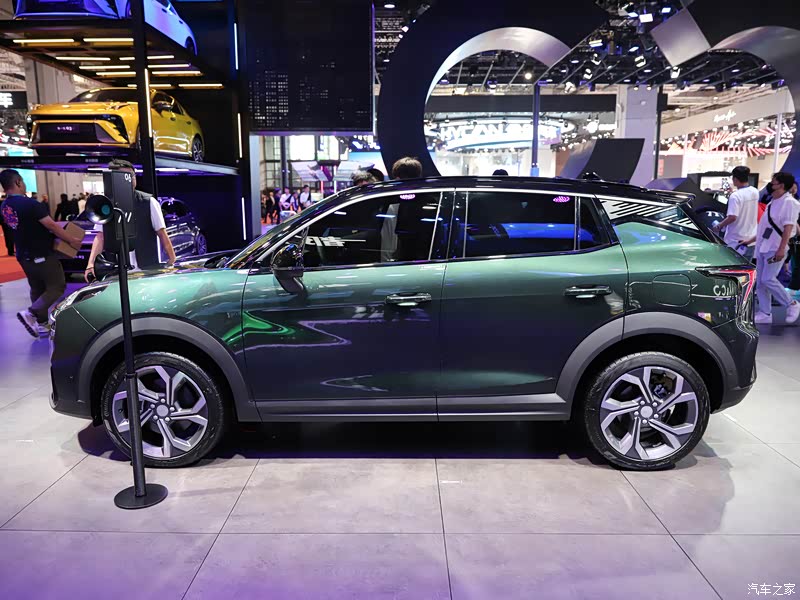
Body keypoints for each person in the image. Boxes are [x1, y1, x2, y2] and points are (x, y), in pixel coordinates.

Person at [0, 169, 82, 337]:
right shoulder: (30, 204)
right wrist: (71, 240)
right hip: (42, 253)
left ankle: (42, 324)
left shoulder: (5, 206)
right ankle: (31, 313)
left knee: (37, 288)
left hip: (23, 255)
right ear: (17, 182)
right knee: (57, 286)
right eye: (23, 181)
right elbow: (51, 225)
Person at [84, 159, 177, 283]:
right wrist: (90, 264)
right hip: (117, 271)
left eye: (132, 176)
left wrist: (172, 260)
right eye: (125, 176)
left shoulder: (148, 202)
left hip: (146, 269)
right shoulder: (106, 204)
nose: (130, 180)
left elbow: (161, 233)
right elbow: (100, 236)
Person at [741, 172, 800, 324]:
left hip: (775, 247)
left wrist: (781, 248)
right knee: (760, 282)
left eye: (773, 182)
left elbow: (788, 227)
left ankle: (792, 304)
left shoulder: (790, 203)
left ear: (781, 185)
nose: (770, 184)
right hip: (762, 247)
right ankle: (765, 313)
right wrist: (750, 240)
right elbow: (765, 228)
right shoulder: (772, 202)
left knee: (768, 279)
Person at [713, 166, 758, 259]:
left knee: (732, 265)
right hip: (751, 239)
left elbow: (732, 217)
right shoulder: (755, 191)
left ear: (735, 179)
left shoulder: (735, 196)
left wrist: (719, 226)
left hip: (736, 241)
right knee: (747, 266)